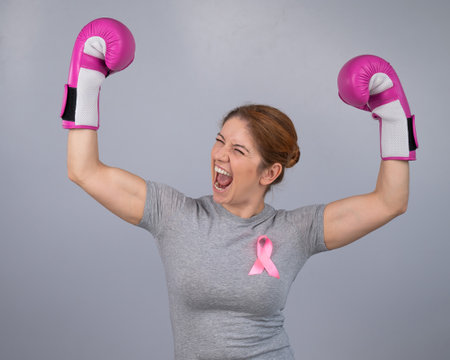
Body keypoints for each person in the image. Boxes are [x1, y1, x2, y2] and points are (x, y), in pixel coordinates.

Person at [62, 19, 418, 360]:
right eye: (220, 141)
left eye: (238, 150)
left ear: (269, 172)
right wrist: (87, 78)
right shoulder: (173, 214)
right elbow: (84, 171)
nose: (220, 155)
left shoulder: (296, 231)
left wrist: (394, 119)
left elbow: (390, 202)